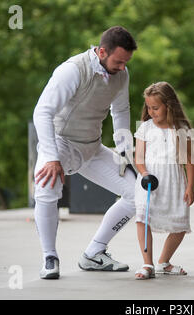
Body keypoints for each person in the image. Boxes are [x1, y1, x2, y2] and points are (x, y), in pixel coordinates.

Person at [32, 26, 137, 279]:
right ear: (102, 51)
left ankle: (94, 253)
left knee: (138, 194)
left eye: (126, 62)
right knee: (46, 187)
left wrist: (125, 154)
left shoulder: (122, 74)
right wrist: (52, 157)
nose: (122, 67)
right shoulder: (72, 70)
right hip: (60, 143)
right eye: (118, 61)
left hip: (93, 146)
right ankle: (50, 257)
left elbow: (121, 112)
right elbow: (42, 112)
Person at [133, 82, 194, 280]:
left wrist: (190, 186)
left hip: (174, 181)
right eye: (148, 107)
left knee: (180, 222)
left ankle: (163, 262)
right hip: (149, 180)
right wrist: (144, 174)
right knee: (143, 218)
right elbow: (139, 159)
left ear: (169, 106)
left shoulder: (182, 128)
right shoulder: (145, 128)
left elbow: (189, 160)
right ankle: (147, 263)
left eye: (155, 107)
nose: (151, 112)